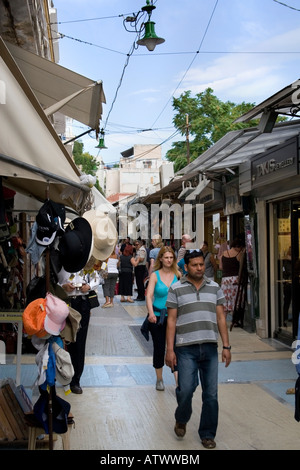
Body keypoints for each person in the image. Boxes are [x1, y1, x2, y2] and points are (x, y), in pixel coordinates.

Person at [165, 249, 231, 449]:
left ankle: (208, 434)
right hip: (185, 348)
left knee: (211, 394)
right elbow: (171, 321)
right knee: (185, 390)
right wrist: (170, 350)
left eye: (202, 264)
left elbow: (221, 318)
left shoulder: (215, 287)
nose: (199, 268)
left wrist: (226, 346)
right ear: (186, 267)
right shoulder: (176, 288)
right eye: (195, 265)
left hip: (210, 347)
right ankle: (182, 417)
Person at [58, 267, 101, 394]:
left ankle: (76, 379)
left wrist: (89, 286)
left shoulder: (86, 263)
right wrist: (63, 286)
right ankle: (61, 374)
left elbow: (96, 278)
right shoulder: (60, 262)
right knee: (62, 340)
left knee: (80, 342)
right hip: (65, 302)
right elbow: (51, 281)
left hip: (82, 303)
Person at [146, 246, 180, 391]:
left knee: (176, 348)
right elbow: (149, 295)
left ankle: (178, 379)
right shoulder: (155, 275)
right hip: (158, 317)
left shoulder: (177, 274)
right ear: (161, 258)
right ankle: (159, 379)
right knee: (159, 348)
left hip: (175, 316)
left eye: (171, 257)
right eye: (166, 257)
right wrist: (151, 313)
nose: (169, 260)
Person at [221, 238, 245, 317]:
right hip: (235, 279)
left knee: (225, 300)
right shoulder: (239, 254)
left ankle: (223, 320)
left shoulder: (223, 254)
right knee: (235, 300)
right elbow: (242, 268)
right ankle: (235, 319)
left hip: (225, 280)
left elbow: (221, 267)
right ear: (239, 247)